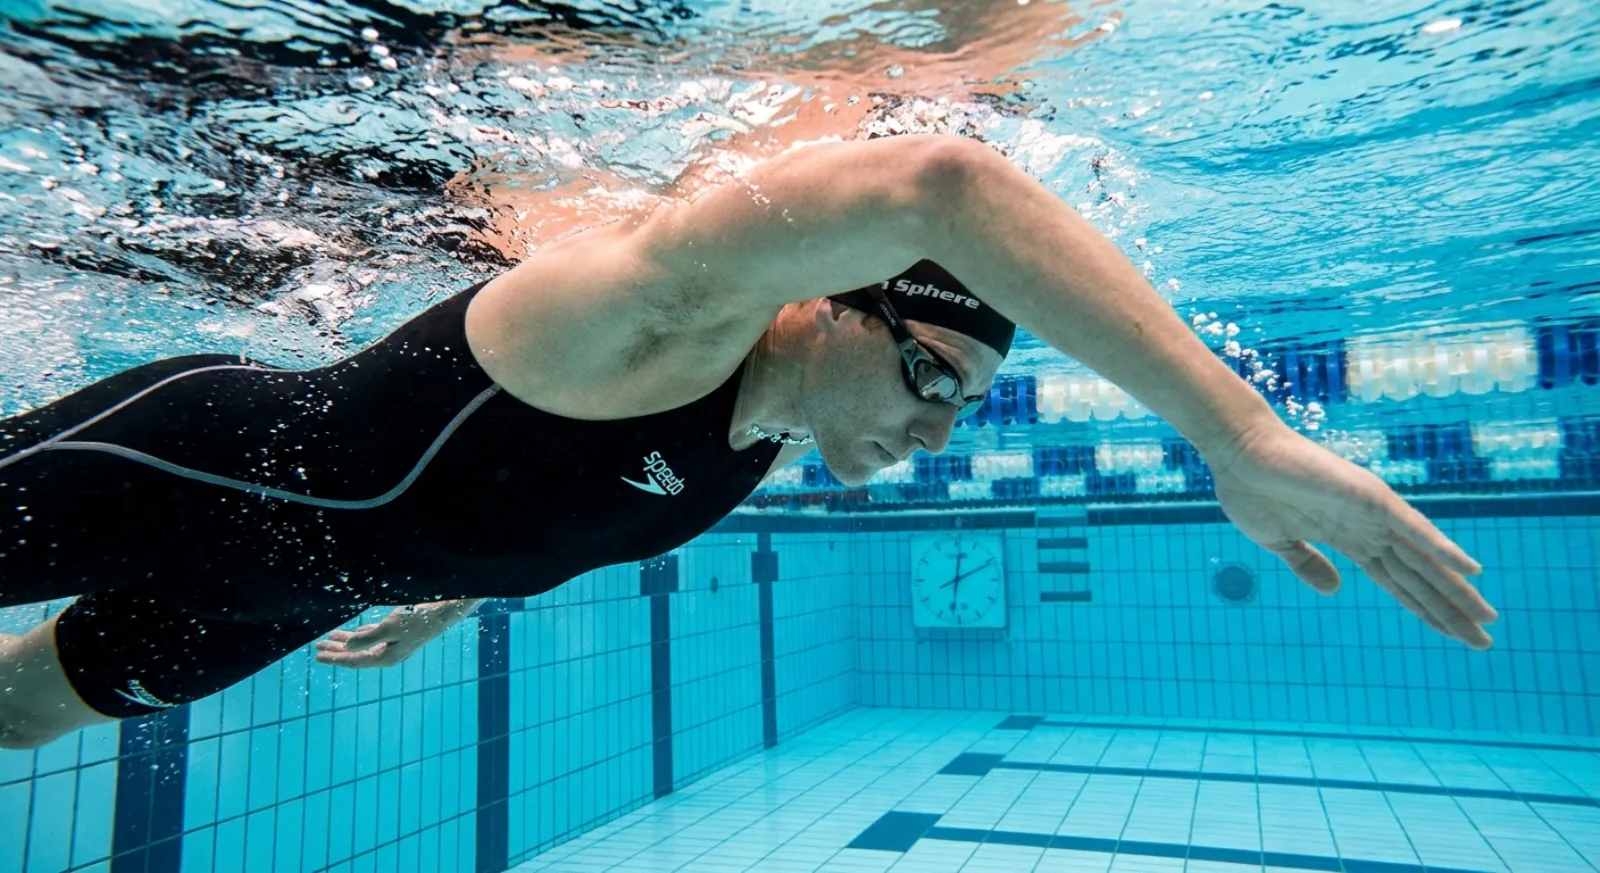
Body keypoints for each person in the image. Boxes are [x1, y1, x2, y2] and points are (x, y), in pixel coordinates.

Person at [0, 133, 1496, 750]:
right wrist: (1233, 436)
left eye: (962, 405)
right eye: (929, 375)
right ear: (831, 308)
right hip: (177, 472)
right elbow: (940, 178)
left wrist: (439, 589)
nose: (933, 426)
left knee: (16, 718)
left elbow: (542, 502)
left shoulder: (751, 447)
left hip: (287, 592)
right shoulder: (651, 316)